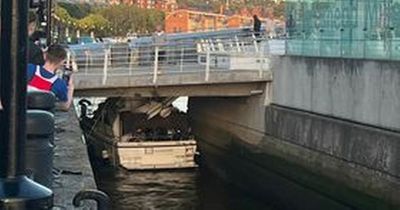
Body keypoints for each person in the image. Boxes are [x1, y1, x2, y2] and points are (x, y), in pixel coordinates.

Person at [27, 44, 74, 111]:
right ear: (62, 62)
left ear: (45, 56)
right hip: (43, 117)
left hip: (23, 112)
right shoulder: (59, 84)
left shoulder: (29, 68)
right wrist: (71, 87)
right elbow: (65, 106)